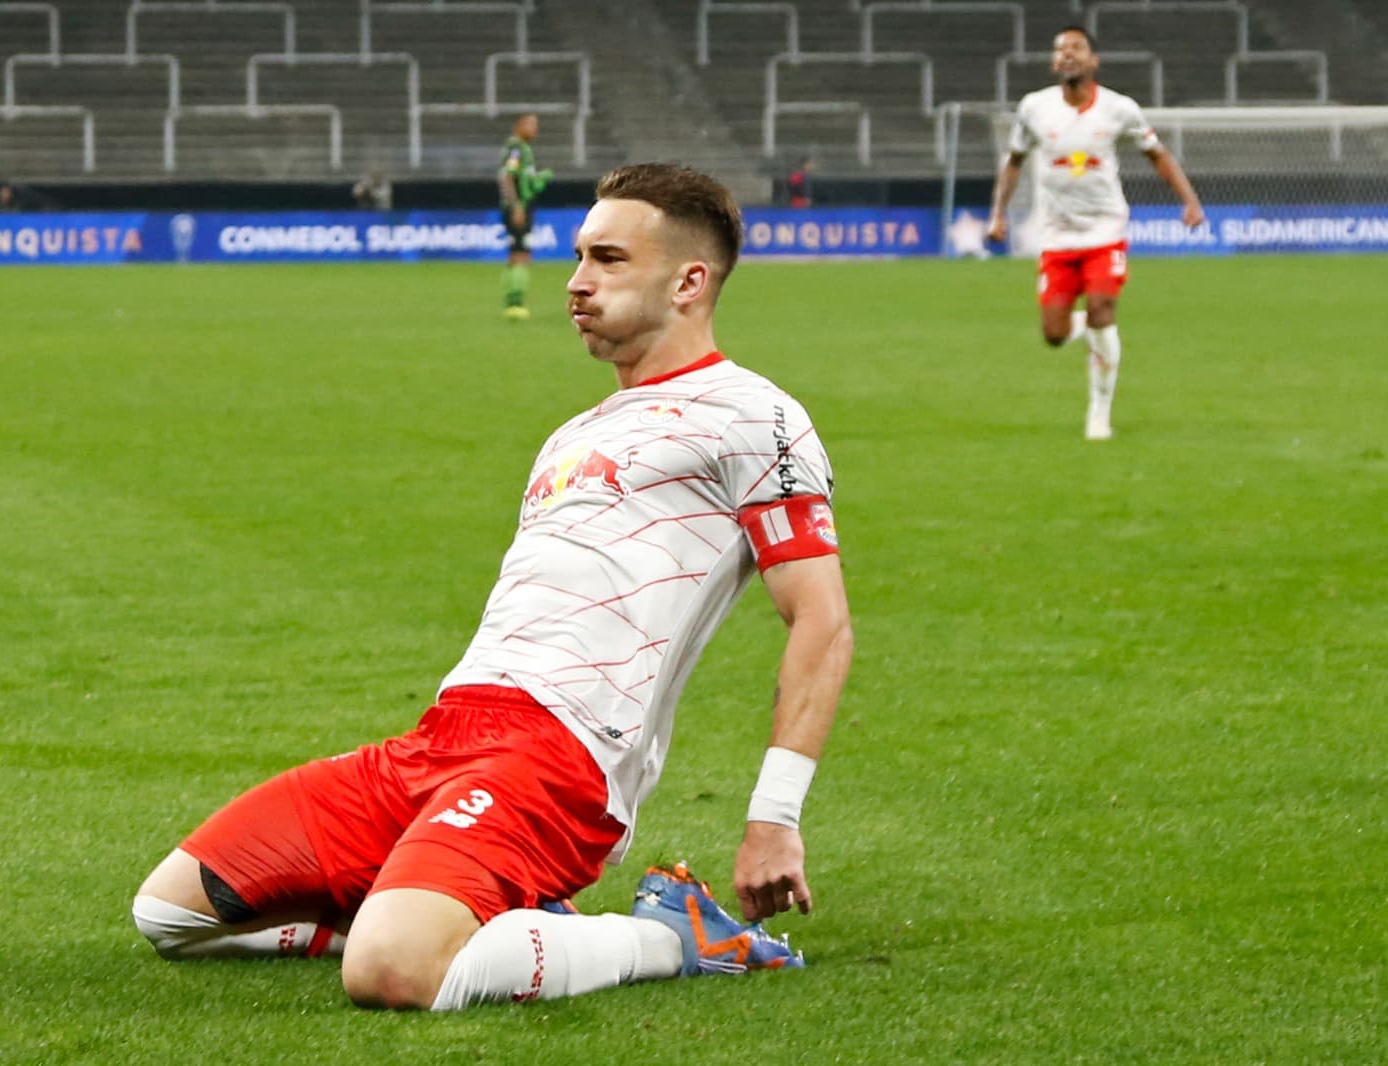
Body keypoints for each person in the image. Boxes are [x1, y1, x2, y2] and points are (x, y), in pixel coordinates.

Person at [133, 163, 854, 1012]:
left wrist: (775, 815)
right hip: (441, 739)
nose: (576, 283)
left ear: (690, 280)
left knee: (391, 973)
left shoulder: (753, 417)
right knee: (171, 913)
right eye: (579, 257)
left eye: (609, 260)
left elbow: (822, 620)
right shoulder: (573, 433)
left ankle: (675, 936)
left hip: (559, 756)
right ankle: (466, 916)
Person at [988, 25, 1204, 441]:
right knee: (1054, 334)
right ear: (1053, 63)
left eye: (1076, 48)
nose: (1067, 55)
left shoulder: (1119, 109)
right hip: (1056, 235)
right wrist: (999, 213)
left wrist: (1189, 201)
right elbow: (1014, 161)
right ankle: (1090, 328)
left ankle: (1099, 416)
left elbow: (1157, 154)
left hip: (1105, 229)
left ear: (1093, 60)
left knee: (1103, 307)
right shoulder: (1034, 108)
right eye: (1060, 50)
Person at [497, 111, 551, 321]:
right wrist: (516, 205)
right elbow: (507, 178)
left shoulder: (523, 149)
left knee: (516, 253)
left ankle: (512, 300)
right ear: (518, 126)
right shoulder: (517, 149)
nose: (534, 129)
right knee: (521, 254)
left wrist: (537, 180)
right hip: (518, 207)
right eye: (529, 124)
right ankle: (515, 304)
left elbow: (522, 180)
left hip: (522, 205)